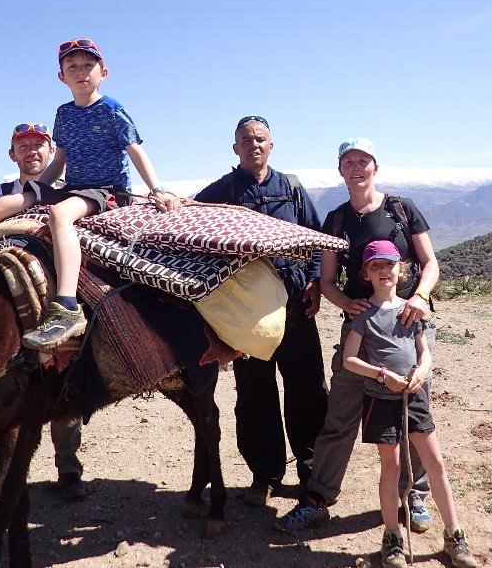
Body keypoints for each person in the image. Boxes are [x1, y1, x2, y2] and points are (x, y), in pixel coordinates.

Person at [0, 38, 180, 351]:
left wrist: (157, 189)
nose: (80, 72)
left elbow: (135, 150)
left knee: (60, 215)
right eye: (71, 67)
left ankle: (66, 306)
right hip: (71, 186)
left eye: (88, 66)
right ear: (62, 77)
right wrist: (34, 192)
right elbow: (59, 161)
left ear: (104, 72)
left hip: (106, 190)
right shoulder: (64, 113)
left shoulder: (113, 110)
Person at [277, 137, 440, 535]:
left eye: (363, 160)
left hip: (407, 322)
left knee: (411, 414)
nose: (356, 167)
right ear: (340, 170)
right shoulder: (336, 220)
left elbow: (430, 262)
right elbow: (329, 279)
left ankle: (414, 495)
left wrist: (419, 296)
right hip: (362, 329)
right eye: (348, 161)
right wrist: (343, 304)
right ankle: (317, 497)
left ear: (375, 167)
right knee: (341, 415)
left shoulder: (401, 209)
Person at [193, 115, 328, 507]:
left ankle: (311, 470)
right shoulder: (221, 191)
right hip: (246, 311)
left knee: (307, 387)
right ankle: (264, 475)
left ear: (272, 145)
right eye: (246, 140)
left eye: (261, 139)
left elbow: (316, 239)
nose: (254, 144)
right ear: (235, 148)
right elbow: (193, 232)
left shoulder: (293, 189)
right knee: (254, 392)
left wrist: (316, 281)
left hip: (295, 302)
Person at [0, 123, 89, 502]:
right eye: (24, 146)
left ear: (50, 152)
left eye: (39, 145)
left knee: (62, 373)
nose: (32, 152)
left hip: (51, 287)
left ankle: (68, 468)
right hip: (5, 292)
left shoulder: (68, 194)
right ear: (13, 155)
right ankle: (6, 468)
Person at [343, 240, 476, 568]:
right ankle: (392, 539)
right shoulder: (363, 315)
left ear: (400, 269)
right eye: (376, 266)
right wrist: (382, 374)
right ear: (366, 274)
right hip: (381, 400)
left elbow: (424, 351)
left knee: (436, 464)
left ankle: (454, 535)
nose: (384, 271)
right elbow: (349, 360)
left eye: (389, 264)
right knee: (392, 467)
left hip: (414, 396)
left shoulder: (411, 310)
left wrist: (422, 370)